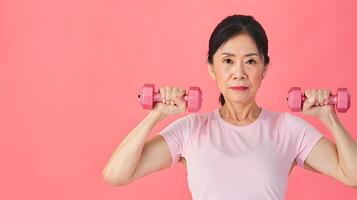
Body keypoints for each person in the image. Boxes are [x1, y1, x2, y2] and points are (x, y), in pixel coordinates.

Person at [102, 14, 357, 199]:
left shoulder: (289, 130)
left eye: (250, 61)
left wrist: (329, 117)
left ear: (264, 68)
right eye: (227, 61)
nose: (239, 73)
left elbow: (353, 176)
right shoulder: (191, 130)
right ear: (211, 69)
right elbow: (116, 175)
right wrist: (156, 115)